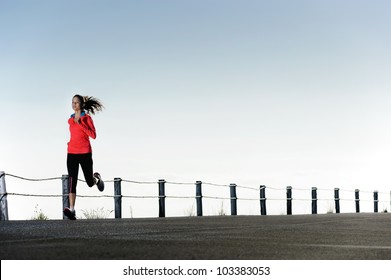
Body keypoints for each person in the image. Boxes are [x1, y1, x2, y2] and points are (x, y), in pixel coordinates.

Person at [63, 94, 105, 220]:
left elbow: (93, 135)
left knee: (89, 182)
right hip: (71, 154)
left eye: (76, 102)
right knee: (72, 181)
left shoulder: (87, 118)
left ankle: (96, 179)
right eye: (72, 102)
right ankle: (72, 209)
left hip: (85, 153)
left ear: (81, 104)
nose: (74, 104)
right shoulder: (70, 120)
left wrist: (80, 123)